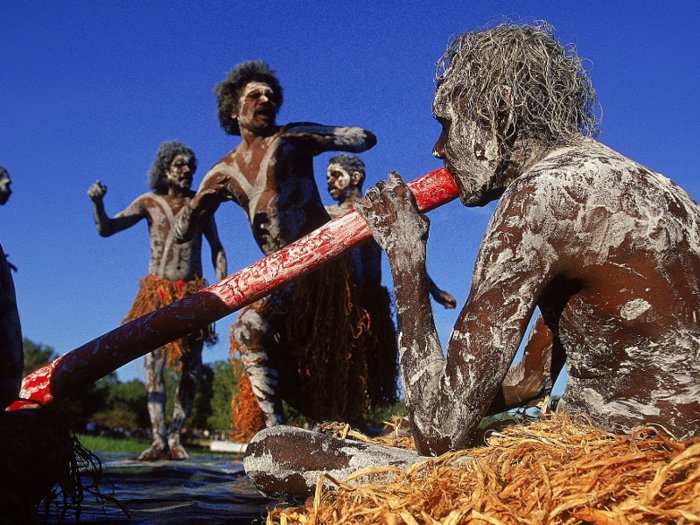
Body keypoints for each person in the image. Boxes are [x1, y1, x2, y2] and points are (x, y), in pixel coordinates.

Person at [244, 21, 700, 499]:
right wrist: (419, 416)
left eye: (446, 123)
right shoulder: (660, 191)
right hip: (667, 459)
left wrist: (404, 255)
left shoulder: (540, 197)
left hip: (627, 475)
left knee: (271, 452)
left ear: (495, 115)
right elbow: (528, 382)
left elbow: (440, 433)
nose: (438, 149)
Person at [175, 61, 392, 433]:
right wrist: (197, 206)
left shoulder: (292, 139)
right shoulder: (221, 173)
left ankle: (299, 429)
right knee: (259, 339)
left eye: (271, 95)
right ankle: (287, 430)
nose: (265, 99)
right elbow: (182, 233)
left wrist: (333, 136)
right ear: (232, 109)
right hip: (282, 270)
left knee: (253, 331)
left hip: (322, 262)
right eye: (254, 95)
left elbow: (364, 139)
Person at [88, 141, 227, 460]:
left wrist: (223, 286)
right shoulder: (148, 202)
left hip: (193, 292)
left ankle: (176, 437)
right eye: (180, 165)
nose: (187, 170)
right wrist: (98, 203)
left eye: (191, 165)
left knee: (192, 365)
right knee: (154, 364)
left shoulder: (199, 204)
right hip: (156, 293)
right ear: (164, 169)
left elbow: (216, 247)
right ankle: (157, 439)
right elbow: (107, 228)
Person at [325, 153, 456, 309]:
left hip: (370, 305)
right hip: (332, 302)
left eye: (336, 175)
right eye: (328, 177)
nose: (329, 181)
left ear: (355, 178)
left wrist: (434, 291)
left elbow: (404, 253)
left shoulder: (378, 212)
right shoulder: (325, 215)